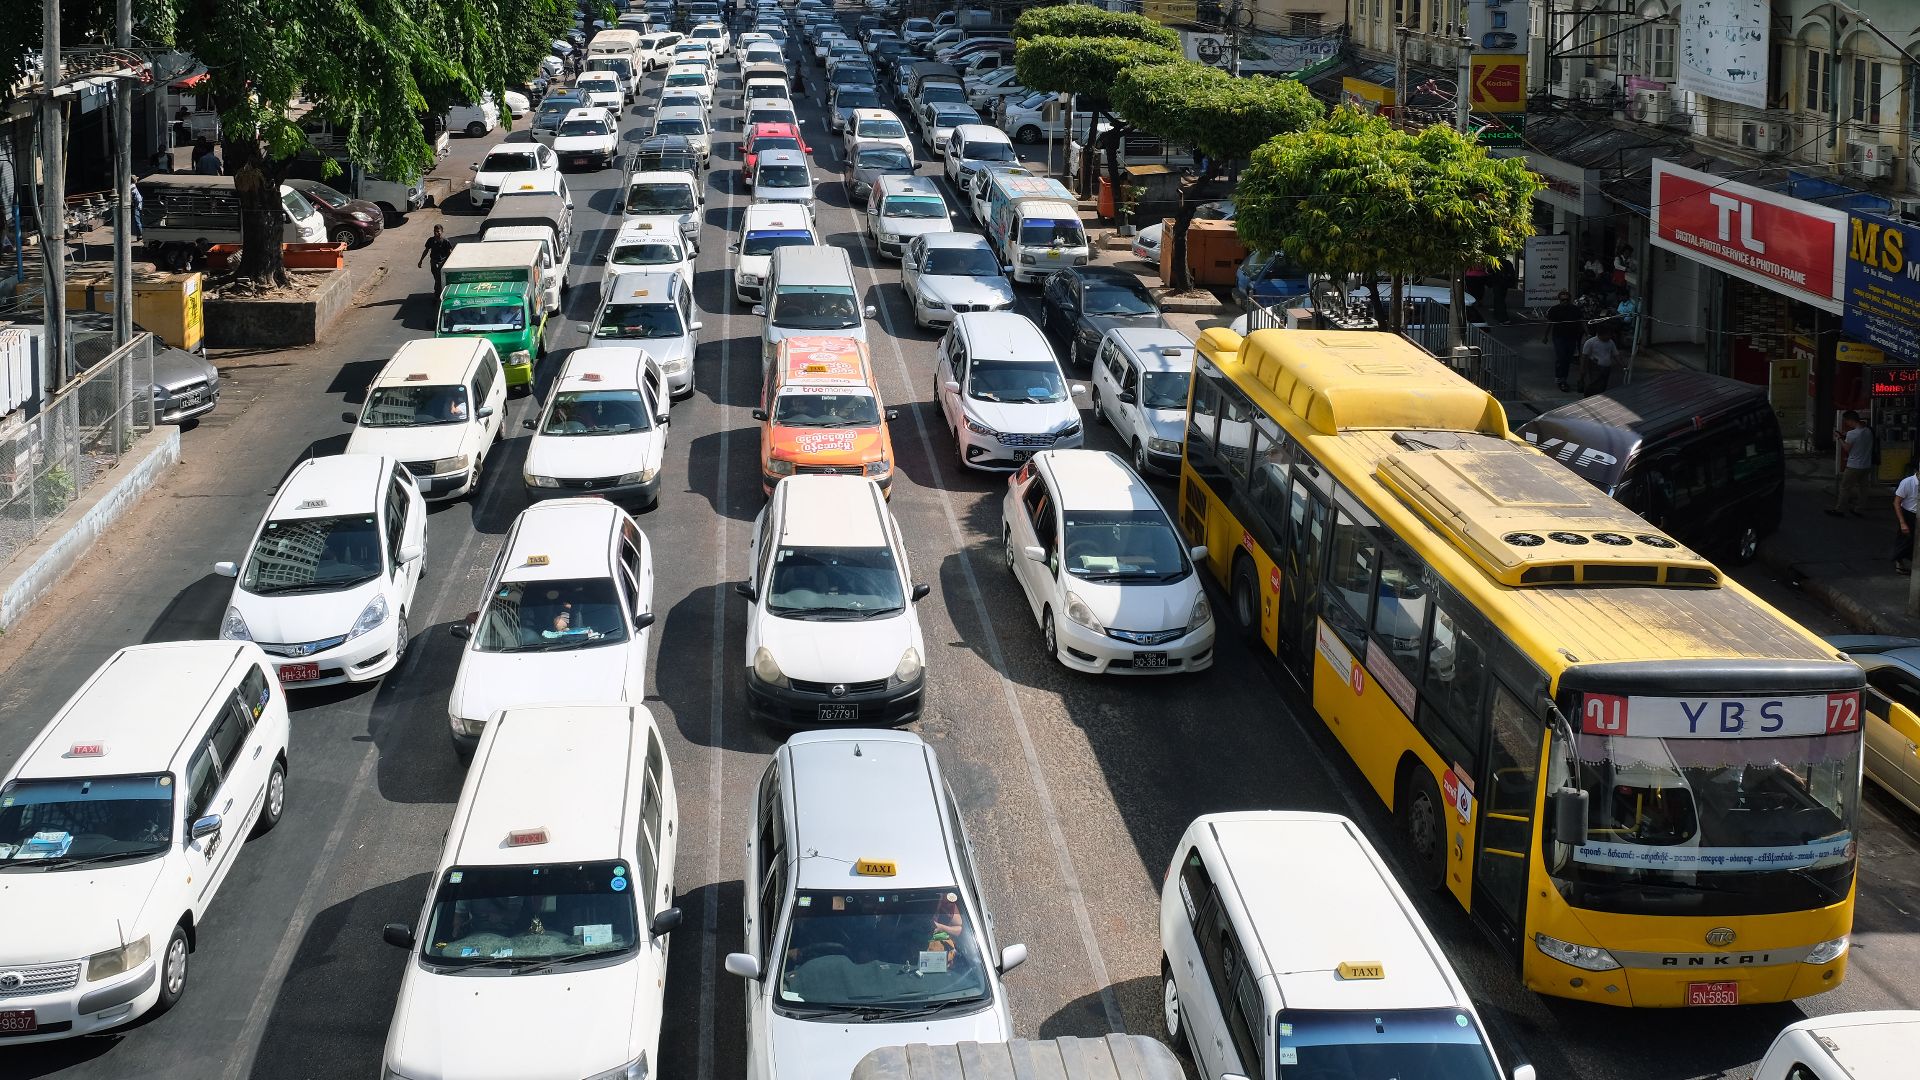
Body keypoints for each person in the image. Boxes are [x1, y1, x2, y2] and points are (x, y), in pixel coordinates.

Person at [1829, 410, 1875, 518]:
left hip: (1854, 465)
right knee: (1863, 488)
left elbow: (1846, 448)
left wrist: (1839, 438)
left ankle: (1839, 510)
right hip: (1866, 464)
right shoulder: (1868, 431)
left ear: (1850, 420)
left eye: (1846, 421)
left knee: (1845, 488)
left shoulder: (1852, 433)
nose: (1846, 423)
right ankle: (1859, 509)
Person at [1542, 291, 1584, 393]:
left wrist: (1587, 334)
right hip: (1559, 337)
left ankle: (1564, 378)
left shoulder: (1575, 310)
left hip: (1572, 337)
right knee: (1561, 358)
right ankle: (1561, 380)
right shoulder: (1554, 310)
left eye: (1567, 300)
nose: (1565, 302)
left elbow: (1581, 321)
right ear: (1559, 300)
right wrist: (1545, 336)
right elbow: (1550, 323)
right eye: (1562, 300)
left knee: (1568, 359)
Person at [1893, 459, 1920, 574]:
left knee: (1913, 542)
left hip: (1917, 515)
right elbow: (1896, 502)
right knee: (1905, 541)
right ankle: (1899, 563)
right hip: (1909, 514)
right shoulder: (1907, 482)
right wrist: (1902, 522)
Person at [1578, 324, 1619, 395]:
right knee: (1594, 384)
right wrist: (1582, 370)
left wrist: (1623, 365)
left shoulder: (1611, 342)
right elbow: (1584, 357)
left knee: (1603, 385)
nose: (1609, 336)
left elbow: (1616, 355)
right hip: (1595, 366)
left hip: (1606, 368)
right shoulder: (1590, 342)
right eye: (1607, 334)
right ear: (1601, 334)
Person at [419, 225, 454, 292]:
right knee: (437, 278)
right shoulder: (431, 240)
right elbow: (426, 250)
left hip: (442, 263)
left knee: (439, 279)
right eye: (435, 231)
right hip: (433, 262)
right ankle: (438, 291)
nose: (436, 233)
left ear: (442, 231)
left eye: (438, 231)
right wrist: (421, 260)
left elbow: (449, 252)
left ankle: (437, 293)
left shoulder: (445, 241)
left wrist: (450, 263)